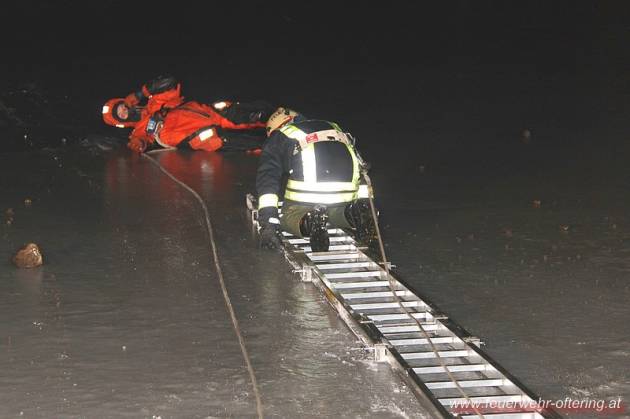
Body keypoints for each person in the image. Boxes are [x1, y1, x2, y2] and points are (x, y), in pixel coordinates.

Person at [255, 107, 375, 252]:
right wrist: (366, 201)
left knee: (289, 216)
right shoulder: (333, 126)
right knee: (333, 210)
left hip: (311, 187)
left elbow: (268, 178)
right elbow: (360, 168)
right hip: (346, 189)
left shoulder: (279, 136)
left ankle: (310, 223)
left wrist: (269, 222)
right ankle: (354, 214)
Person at [102, 75, 274, 153]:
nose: (123, 111)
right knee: (258, 144)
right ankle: (280, 147)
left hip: (208, 113)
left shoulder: (153, 102)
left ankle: (282, 120)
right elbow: (141, 142)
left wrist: (140, 93)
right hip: (200, 136)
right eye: (119, 114)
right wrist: (139, 143)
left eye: (121, 107)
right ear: (121, 122)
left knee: (257, 113)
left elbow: (169, 82)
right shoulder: (138, 131)